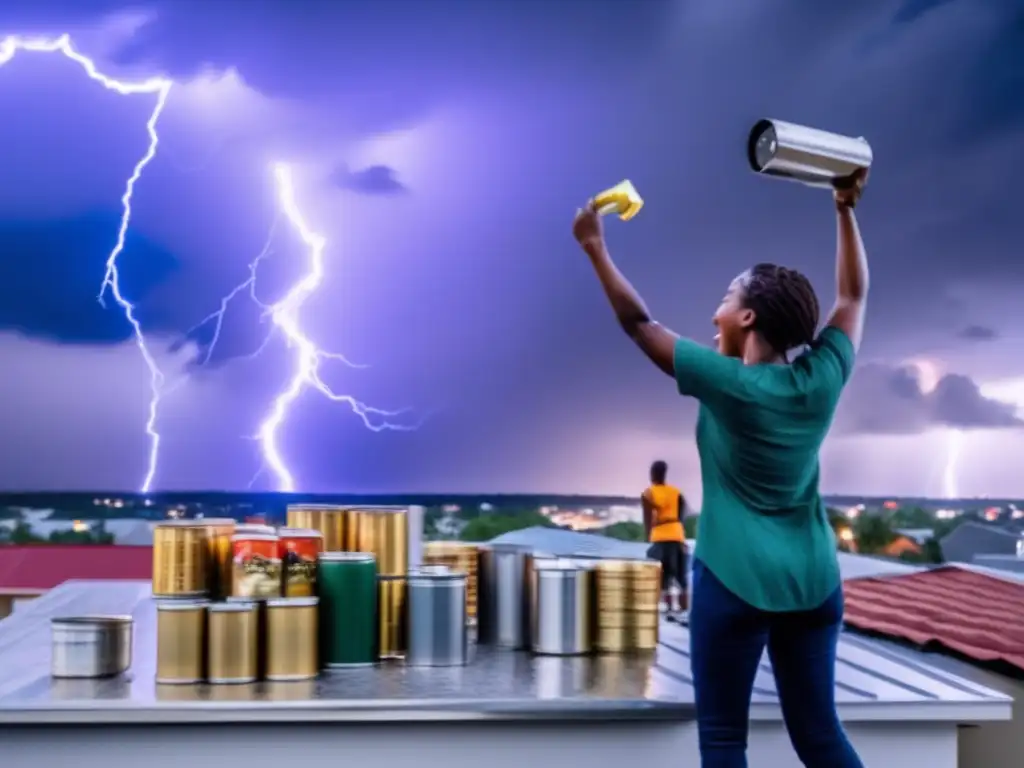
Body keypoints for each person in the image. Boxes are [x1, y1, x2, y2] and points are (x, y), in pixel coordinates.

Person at [571, 169, 868, 768]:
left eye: (728, 297)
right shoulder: (824, 374)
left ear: (750, 318)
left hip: (735, 579)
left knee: (726, 740)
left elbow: (638, 325)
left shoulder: (728, 382)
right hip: (814, 582)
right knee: (820, 736)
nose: (716, 311)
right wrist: (844, 209)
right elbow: (853, 297)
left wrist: (594, 247)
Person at [642, 459, 688, 620]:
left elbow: (648, 519)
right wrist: (679, 533)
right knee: (680, 575)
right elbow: (682, 515)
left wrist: (648, 537)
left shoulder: (649, 493)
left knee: (663, 576)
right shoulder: (676, 492)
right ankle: (684, 610)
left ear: (653, 474)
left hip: (660, 538)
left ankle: (668, 608)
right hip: (677, 536)